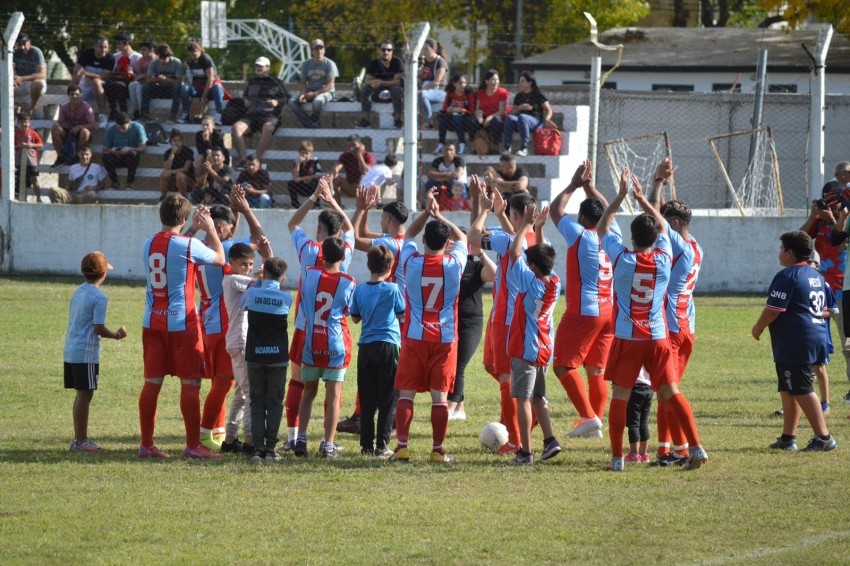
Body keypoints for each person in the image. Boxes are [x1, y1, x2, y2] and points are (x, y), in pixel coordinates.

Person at [598, 168, 708, 472]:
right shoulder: (663, 259)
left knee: (620, 396)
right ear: (657, 238)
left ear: (631, 238)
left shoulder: (621, 260)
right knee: (670, 392)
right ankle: (696, 446)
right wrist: (644, 201)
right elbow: (662, 224)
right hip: (659, 337)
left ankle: (618, 458)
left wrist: (620, 197)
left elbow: (603, 226)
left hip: (628, 337)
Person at [138, 195, 225, 460]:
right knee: (191, 382)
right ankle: (192, 445)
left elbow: (175, 246)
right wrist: (209, 227)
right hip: (182, 324)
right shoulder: (189, 246)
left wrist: (194, 229)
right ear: (184, 219)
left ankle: (146, 444)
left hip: (152, 321)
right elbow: (220, 258)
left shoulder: (148, 243)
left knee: (152, 382)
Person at [389, 188, 467, 463]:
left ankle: (402, 447)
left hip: (413, 335)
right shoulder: (455, 263)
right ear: (446, 244)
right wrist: (440, 216)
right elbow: (463, 238)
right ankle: (437, 450)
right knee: (440, 397)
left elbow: (407, 235)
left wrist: (426, 211)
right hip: (445, 338)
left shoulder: (411, 262)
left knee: (406, 394)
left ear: (424, 240)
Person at [284, 176, 355, 450]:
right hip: (335, 331)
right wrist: (333, 200)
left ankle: (295, 438)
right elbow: (349, 229)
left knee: (301, 384)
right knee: (333, 388)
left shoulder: (308, 254)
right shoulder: (344, 255)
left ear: (319, 230)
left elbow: (292, 224)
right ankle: (328, 442)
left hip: (306, 327)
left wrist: (315, 197)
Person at [191, 189, 265, 450]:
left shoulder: (198, 248)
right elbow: (258, 238)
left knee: (222, 381)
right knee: (224, 381)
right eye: (230, 228)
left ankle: (219, 430)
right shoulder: (225, 249)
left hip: (208, 321)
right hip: (224, 324)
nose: (233, 233)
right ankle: (203, 435)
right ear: (221, 227)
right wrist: (245, 209)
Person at [752, 230, 837, 453]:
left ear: (790, 252)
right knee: (788, 388)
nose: (779, 253)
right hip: (813, 335)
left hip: (796, 339)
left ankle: (824, 437)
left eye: (782, 249)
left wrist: (758, 327)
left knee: (800, 388)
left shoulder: (788, 276)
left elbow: (773, 309)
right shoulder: (815, 275)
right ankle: (788, 438)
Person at [469, 183, 538, 454]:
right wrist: (499, 214)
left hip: (506, 319)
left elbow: (474, 237)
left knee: (507, 377)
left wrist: (485, 210)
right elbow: (515, 234)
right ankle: (516, 420)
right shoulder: (536, 240)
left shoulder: (507, 240)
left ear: (518, 216)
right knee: (496, 369)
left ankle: (515, 437)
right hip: (525, 318)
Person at [547, 160, 611, 439]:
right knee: (596, 369)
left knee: (562, 365)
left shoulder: (581, 235)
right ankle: (593, 424)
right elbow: (607, 207)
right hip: (609, 310)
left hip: (584, 311)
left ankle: (588, 417)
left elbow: (555, 210)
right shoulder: (613, 233)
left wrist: (575, 185)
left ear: (583, 219)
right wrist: (590, 187)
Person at [648, 159, 706, 465]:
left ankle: (680, 450)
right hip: (687, 325)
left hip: (670, 329)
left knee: (666, 391)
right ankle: (671, 450)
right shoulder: (696, 246)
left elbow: (652, 215)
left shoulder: (678, 246)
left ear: (673, 225)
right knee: (666, 390)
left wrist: (657, 182)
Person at [505, 202, 562, 465]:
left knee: (523, 399)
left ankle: (525, 452)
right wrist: (539, 228)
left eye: (530, 265)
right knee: (539, 397)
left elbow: (515, 251)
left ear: (534, 268)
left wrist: (526, 224)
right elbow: (541, 257)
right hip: (543, 347)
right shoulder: (554, 282)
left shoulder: (529, 281)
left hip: (525, 348)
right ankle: (550, 440)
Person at [294, 237, 356, 460]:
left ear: (322, 255)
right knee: (333, 396)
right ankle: (327, 445)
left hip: (312, 343)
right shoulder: (349, 282)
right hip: (336, 345)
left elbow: (302, 301)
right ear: (342, 257)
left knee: (308, 392)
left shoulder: (309, 273)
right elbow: (348, 311)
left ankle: (301, 439)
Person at [64, 252, 127, 452]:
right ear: (103, 274)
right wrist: (116, 335)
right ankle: (81, 441)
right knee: (85, 395)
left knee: (81, 394)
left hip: (72, 350)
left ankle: (78, 440)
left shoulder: (78, 291)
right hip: (86, 353)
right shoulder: (100, 297)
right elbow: (98, 328)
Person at [350, 245, 405, 456]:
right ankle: (382, 445)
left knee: (367, 398)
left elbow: (355, 317)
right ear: (390, 267)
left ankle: (366, 445)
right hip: (388, 345)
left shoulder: (360, 289)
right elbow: (401, 311)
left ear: (368, 265)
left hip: (366, 347)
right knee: (388, 397)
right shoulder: (392, 289)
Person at [220, 239, 272, 455]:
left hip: (239, 340)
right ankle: (251, 441)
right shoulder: (232, 280)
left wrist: (263, 265)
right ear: (231, 262)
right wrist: (264, 266)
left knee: (242, 392)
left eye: (250, 264)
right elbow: (256, 284)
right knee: (251, 392)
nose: (248, 268)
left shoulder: (239, 279)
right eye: (244, 264)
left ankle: (230, 438)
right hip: (240, 341)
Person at [238, 256, 292, 462]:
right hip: (278, 356)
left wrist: (257, 282)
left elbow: (241, 306)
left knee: (256, 401)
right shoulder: (286, 297)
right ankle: (271, 448)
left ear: (264, 274)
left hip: (255, 355)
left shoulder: (252, 293)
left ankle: (258, 448)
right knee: (276, 402)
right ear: (283, 278)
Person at [448, 228, 496, 419]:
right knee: (451, 364)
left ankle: (450, 408)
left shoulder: (474, 267)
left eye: (455, 241)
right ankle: (460, 408)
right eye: (449, 241)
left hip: (470, 324)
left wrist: (481, 253)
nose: (451, 245)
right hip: (449, 322)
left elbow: (493, 274)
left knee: (458, 365)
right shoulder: (447, 266)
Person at [232, 56, 289, 166]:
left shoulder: (276, 82)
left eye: (261, 66)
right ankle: (244, 161)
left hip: (269, 115)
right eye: (257, 66)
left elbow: (287, 98)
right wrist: (246, 100)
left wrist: (276, 102)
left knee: (268, 128)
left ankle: (255, 161)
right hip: (251, 116)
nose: (258, 68)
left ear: (268, 68)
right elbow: (245, 95)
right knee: (236, 128)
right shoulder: (252, 81)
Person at [289, 38, 338, 129]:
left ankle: (315, 121)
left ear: (324, 50)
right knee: (292, 102)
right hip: (310, 90)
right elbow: (303, 82)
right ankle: (310, 124)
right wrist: (303, 94)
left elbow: (330, 85)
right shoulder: (306, 64)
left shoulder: (330, 64)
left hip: (326, 92)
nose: (319, 51)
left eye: (321, 48)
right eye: (316, 49)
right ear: (312, 51)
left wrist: (315, 94)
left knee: (317, 102)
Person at [503, 71, 553, 157]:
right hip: (521, 122)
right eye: (519, 81)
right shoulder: (519, 96)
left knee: (522, 117)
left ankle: (525, 147)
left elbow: (549, 110)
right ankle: (507, 147)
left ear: (530, 82)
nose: (520, 84)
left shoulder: (538, 94)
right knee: (510, 118)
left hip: (535, 122)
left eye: (522, 81)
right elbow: (512, 113)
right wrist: (520, 107)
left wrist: (547, 119)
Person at [357, 40, 404, 129]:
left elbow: (398, 81)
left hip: (394, 89)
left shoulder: (397, 62)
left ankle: (398, 120)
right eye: (383, 50)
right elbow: (367, 81)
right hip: (378, 89)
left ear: (392, 51)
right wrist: (373, 83)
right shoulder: (374, 63)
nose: (386, 52)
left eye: (389, 50)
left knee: (396, 89)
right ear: (379, 51)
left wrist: (381, 82)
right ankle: (365, 120)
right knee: (366, 89)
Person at [180, 40, 226, 124]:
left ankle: (219, 114)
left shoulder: (205, 58)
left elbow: (211, 79)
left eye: (194, 53)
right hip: (198, 88)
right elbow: (189, 78)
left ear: (200, 50)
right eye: (190, 54)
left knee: (217, 87)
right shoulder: (190, 61)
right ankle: (186, 113)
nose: (192, 56)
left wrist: (203, 97)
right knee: (184, 88)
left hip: (211, 87)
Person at [72, 36, 115, 127]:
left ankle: (103, 115)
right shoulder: (87, 54)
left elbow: (102, 76)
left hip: (101, 87)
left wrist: (86, 74)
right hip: (85, 86)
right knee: (74, 98)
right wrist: (72, 88)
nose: (103, 50)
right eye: (101, 47)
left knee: (96, 81)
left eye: (105, 47)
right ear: (94, 46)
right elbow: (77, 71)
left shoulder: (110, 58)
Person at [51, 85, 97, 166]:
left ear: (81, 95)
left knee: (85, 132)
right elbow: (60, 122)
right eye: (72, 94)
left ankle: (77, 156)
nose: (74, 96)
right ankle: (60, 156)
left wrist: (79, 127)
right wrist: (57, 125)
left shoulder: (86, 107)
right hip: (68, 131)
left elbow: (93, 124)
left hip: (81, 132)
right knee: (55, 129)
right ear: (68, 95)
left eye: (77, 94)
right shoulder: (64, 107)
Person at [101, 112, 147, 190]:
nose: (121, 130)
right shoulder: (110, 130)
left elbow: (143, 148)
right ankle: (115, 182)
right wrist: (111, 150)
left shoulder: (138, 127)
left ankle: (130, 183)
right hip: (116, 157)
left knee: (132, 155)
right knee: (105, 157)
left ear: (129, 122)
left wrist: (130, 149)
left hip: (131, 157)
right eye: (119, 128)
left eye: (123, 128)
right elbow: (104, 150)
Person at [141, 43, 182, 122]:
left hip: (171, 89)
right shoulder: (154, 63)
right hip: (159, 87)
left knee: (176, 86)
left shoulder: (176, 62)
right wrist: (158, 79)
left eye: (164, 58)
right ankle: (144, 115)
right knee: (146, 87)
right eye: (160, 58)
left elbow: (179, 81)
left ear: (169, 56)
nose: (162, 61)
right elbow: (148, 79)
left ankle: (173, 116)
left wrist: (166, 79)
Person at [105, 31, 141, 120]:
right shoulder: (115, 56)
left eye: (119, 43)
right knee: (109, 84)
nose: (117, 45)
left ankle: (123, 112)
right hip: (117, 80)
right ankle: (114, 111)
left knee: (119, 86)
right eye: (116, 43)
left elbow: (140, 74)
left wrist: (132, 73)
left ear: (127, 43)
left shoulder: (137, 57)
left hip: (131, 81)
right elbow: (112, 72)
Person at [436, 73, 475, 155]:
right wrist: (449, 109)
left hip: (465, 120)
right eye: (460, 83)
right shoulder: (450, 93)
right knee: (442, 121)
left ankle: (463, 145)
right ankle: (441, 145)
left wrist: (461, 109)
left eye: (464, 83)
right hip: (452, 119)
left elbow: (471, 111)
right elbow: (445, 108)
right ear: (454, 84)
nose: (463, 85)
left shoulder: (469, 93)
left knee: (457, 119)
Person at [331, 134, 375, 203]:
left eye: (353, 145)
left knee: (363, 177)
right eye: (348, 146)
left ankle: (362, 204)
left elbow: (365, 172)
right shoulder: (345, 155)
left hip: (365, 190)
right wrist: (333, 173)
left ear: (361, 145)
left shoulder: (368, 156)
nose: (351, 148)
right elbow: (336, 168)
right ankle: (338, 205)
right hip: (351, 186)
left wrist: (359, 155)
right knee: (336, 178)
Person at [474, 69, 509, 153]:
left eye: (497, 79)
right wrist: (479, 115)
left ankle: (495, 147)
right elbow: (477, 108)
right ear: (486, 81)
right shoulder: (480, 93)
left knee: (496, 121)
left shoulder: (502, 92)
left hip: (497, 116)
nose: (496, 82)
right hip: (483, 116)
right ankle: (477, 147)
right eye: (493, 79)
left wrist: (490, 117)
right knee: (472, 121)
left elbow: (501, 111)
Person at [13, 33, 47, 116]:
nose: (22, 47)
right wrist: (13, 78)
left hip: (33, 82)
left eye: (24, 44)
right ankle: (12, 109)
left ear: (29, 42)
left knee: (37, 84)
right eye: (19, 44)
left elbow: (42, 74)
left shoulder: (36, 52)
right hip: (19, 82)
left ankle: (32, 107)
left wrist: (22, 78)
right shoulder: (13, 53)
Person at [625, 368, 653, 463]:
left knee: (633, 422)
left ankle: (634, 454)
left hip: (634, 387)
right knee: (643, 422)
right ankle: (643, 454)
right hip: (648, 387)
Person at [418, 38, 448, 128]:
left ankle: (429, 121)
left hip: (439, 91)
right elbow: (420, 78)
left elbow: (436, 82)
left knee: (422, 95)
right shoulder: (424, 62)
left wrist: (422, 90)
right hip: (426, 90)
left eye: (426, 49)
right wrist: (419, 69)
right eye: (423, 49)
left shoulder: (440, 62)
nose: (424, 51)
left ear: (433, 49)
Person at [14, 112, 43, 201]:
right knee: (18, 181)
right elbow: (11, 146)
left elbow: (41, 145)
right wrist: (19, 146)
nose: (24, 124)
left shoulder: (33, 133)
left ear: (29, 123)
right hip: (18, 161)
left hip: (31, 161)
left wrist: (31, 145)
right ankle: (19, 199)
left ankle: (38, 198)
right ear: (18, 123)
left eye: (26, 122)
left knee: (34, 179)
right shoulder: (15, 134)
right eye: (22, 122)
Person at [159, 129, 194, 200]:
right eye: (174, 141)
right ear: (171, 142)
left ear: (182, 142)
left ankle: (184, 197)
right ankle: (163, 197)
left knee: (179, 175)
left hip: (187, 181)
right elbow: (167, 168)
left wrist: (172, 172)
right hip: (173, 181)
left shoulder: (188, 151)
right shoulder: (168, 153)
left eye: (179, 141)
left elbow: (186, 168)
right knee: (164, 174)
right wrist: (172, 154)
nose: (177, 143)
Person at [289, 139, 323, 209]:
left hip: (311, 186)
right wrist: (298, 164)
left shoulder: (315, 161)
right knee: (291, 183)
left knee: (317, 183)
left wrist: (305, 178)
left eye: (306, 153)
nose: (304, 155)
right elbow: (296, 178)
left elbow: (318, 175)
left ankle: (317, 204)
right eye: (302, 153)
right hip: (302, 186)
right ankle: (295, 204)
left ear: (311, 153)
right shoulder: (297, 162)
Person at [127, 40, 157, 119]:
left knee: (139, 87)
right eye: (142, 50)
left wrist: (142, 76)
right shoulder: (141, 59)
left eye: (144, 50)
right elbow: (137, 74)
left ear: (151, 50)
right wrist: (131, 73)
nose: (142, 52)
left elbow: (154, 76)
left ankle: (143, 112)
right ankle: (136, 110)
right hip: (142, 81)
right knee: (132, 85)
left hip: (153, 84)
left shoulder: (156, 60)